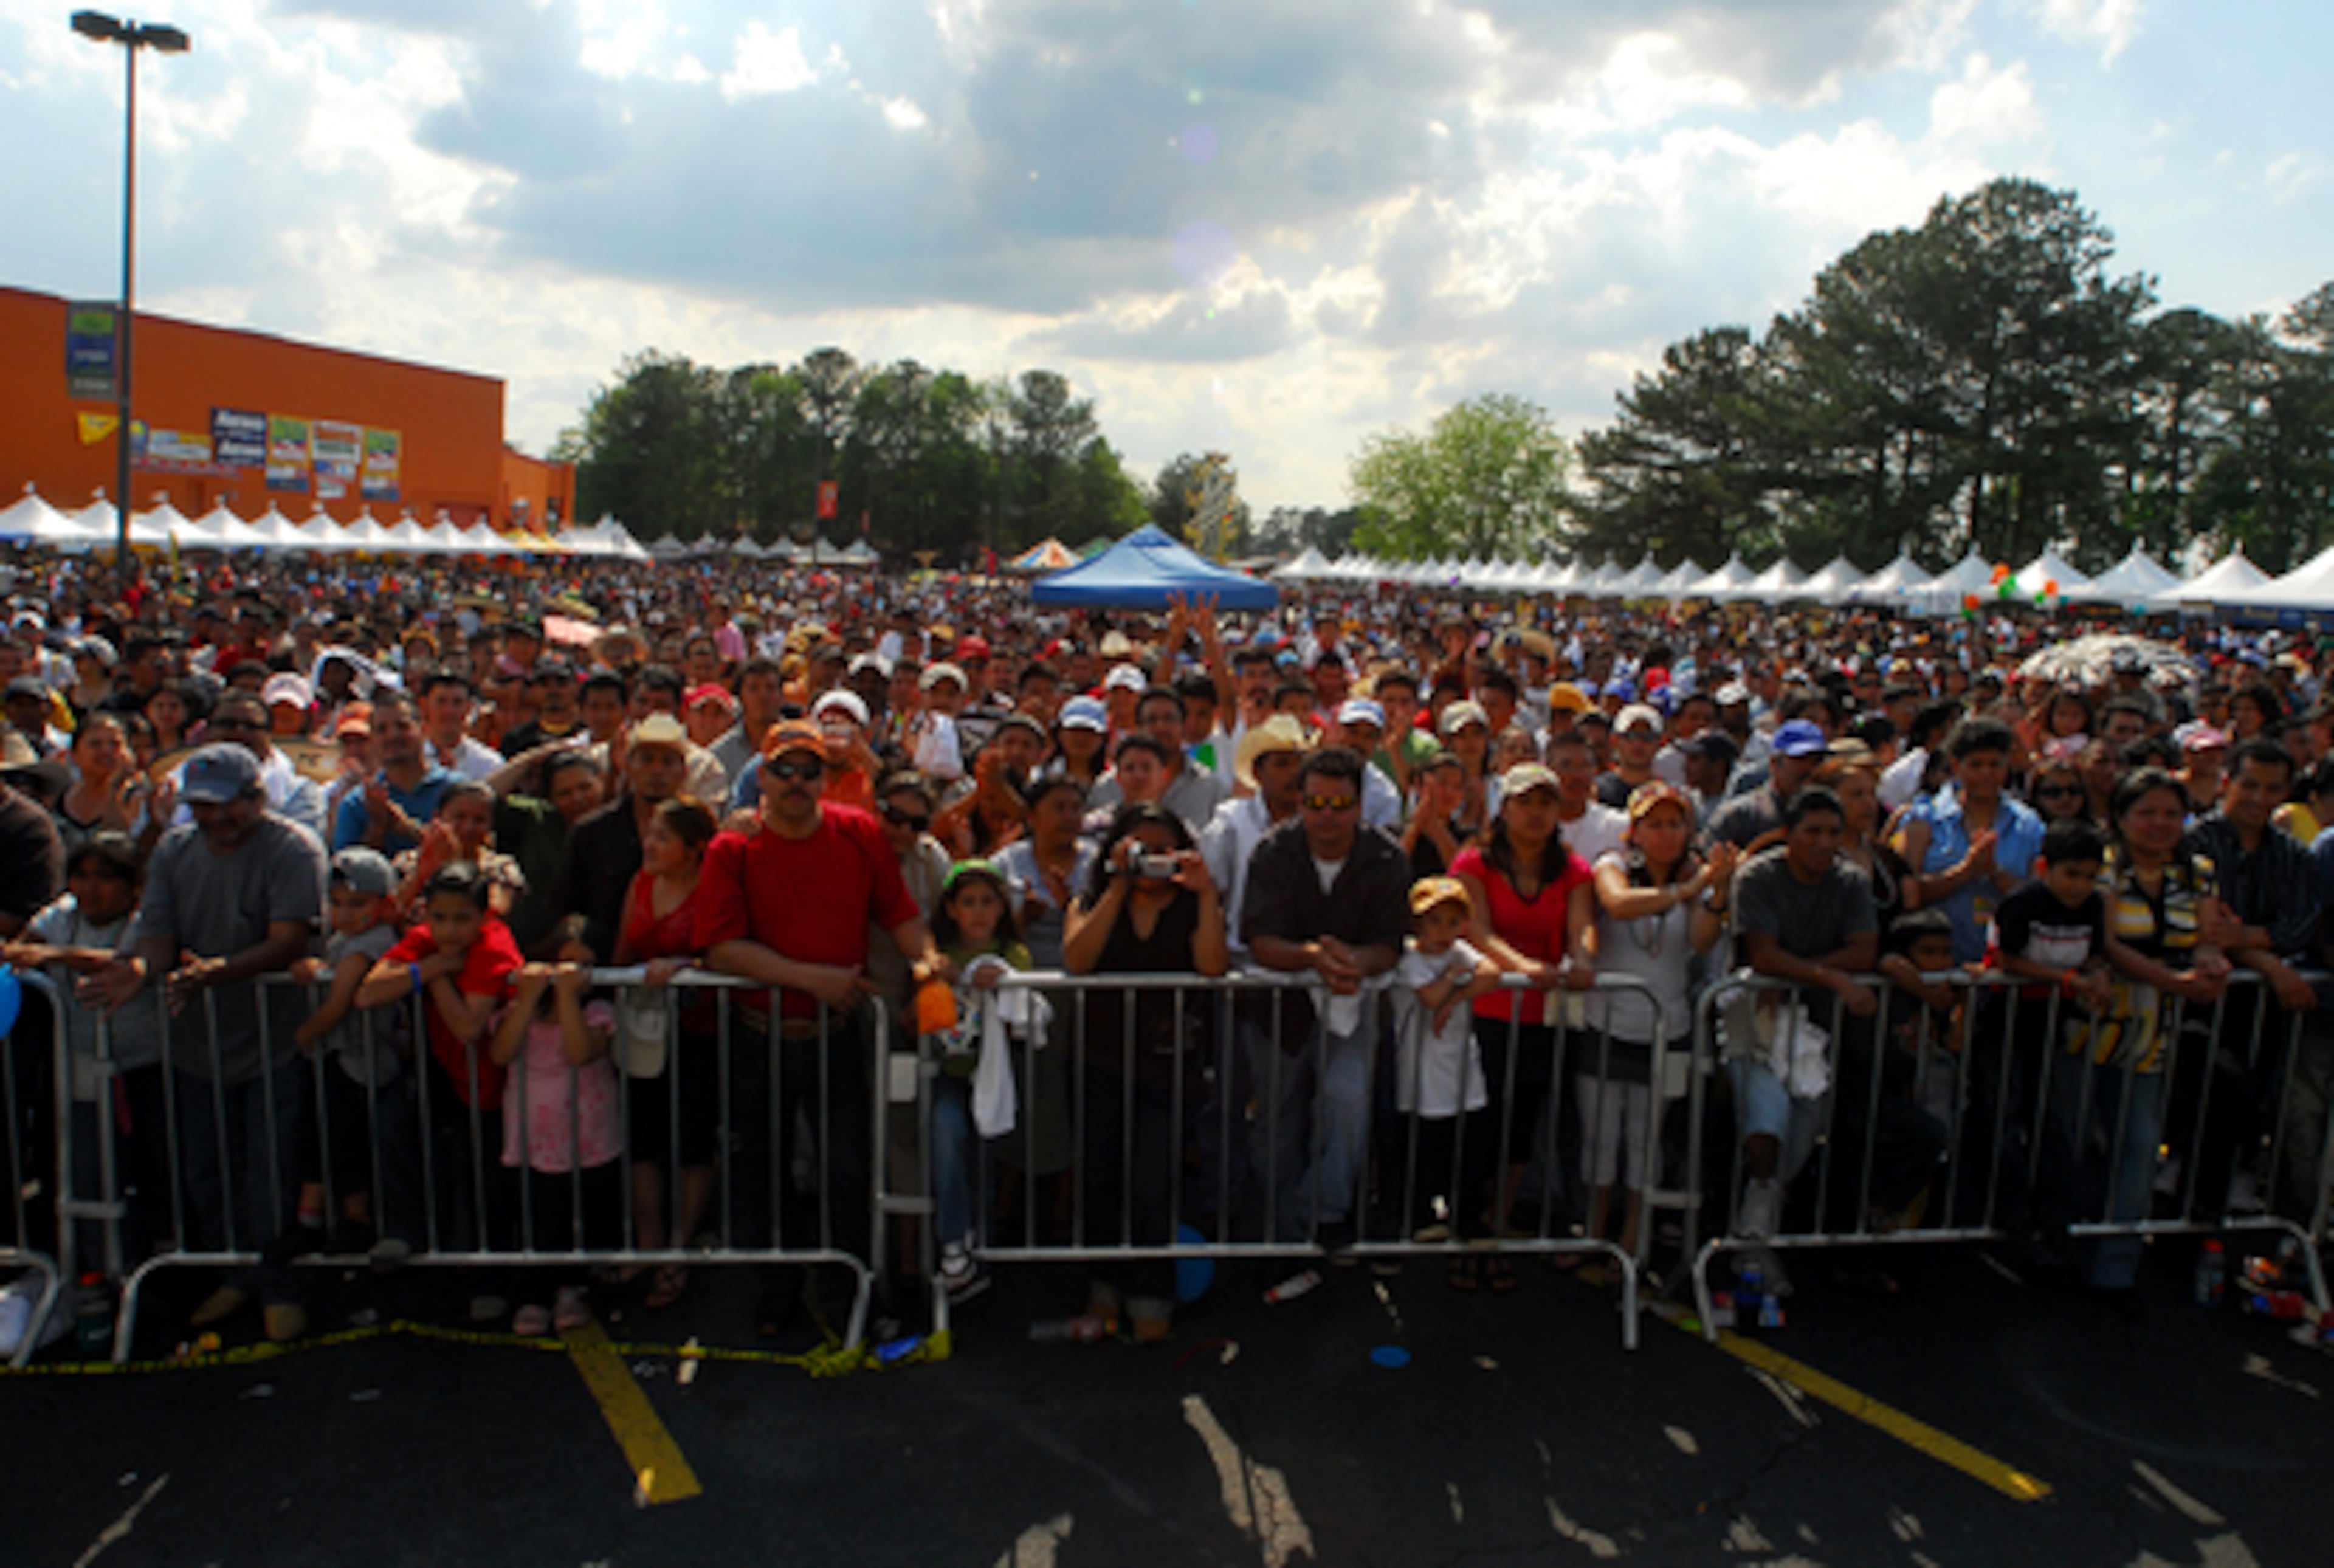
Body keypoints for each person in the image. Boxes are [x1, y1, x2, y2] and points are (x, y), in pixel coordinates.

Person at [701, 719, 940, 1334]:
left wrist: (929, 964)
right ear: (763, 774)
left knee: (848, 1171)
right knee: (762, 1175)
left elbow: (901, 915)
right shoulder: (733, 849)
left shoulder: (860, 834)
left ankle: (849, 1294)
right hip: (758, 1035)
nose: (798, 782)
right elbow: (721, 948)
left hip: (837, 1036)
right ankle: (773, 1297)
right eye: (785, 769)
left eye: (812, 771)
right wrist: (814, 979)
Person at [86, 743, 327, 1342]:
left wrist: (215, 972)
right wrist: (140, 972)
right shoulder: (174, 850)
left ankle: (278, 1282)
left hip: (273, 1039)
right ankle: (232, 1272)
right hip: (195, 1044)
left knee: (271, 1167)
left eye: (226, 807)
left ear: (256, 797)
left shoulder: (292, 848)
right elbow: (159, 935)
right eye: (202, 807)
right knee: (205, 1169)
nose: (214, 819)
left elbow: (288, 938)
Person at [2048, 768, 2230, 1312]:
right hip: (2089, 1028)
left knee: (2139, 1145)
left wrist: (2208, 961)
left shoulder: (2197, 872)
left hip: (2151, 1035)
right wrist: (2173, 981)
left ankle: (2115, 1268)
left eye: (2171, 814)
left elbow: (2205, 935)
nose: (2159, 824)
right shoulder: (2102, 868)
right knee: (2074, 1139)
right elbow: (2105, 940)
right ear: (2122, 818)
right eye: (2147, 813)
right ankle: (2061, 1248)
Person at [1062, 802, 1228, 1334]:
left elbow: (1212, 965)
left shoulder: (1191, 903)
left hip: (1166, 1067)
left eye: (1163, 849)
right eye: (1141, 850)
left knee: (1154, 1181)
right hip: (1098, 1060)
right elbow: (1078, 958)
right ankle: (1103, 1285)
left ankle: (1152, 1291)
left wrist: (1204, 893)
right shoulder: (1093, 897)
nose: (1153, 861)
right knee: (1100, 1175)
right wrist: (1117, 884)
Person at [1239, 744, 1411, 1247]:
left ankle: (1325, 1212)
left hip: (1353, 1007)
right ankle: (1277, 1225)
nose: (1327, 817)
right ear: (1300, 803)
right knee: (1277, 1115)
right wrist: (1314, 957)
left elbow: (1390, 943)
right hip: (1280, 1012)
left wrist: (1357, 963)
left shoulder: (1386, 858)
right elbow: (1260, 939)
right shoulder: (1272, 852)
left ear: (1359, 806)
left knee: (1348, 1102)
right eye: (1316, 804)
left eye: (1339, 806)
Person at [1725, 785, 1879, 1293]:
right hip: (1754, 1022)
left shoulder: (1851, 881)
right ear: (1788, 834)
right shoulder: (1758, 878)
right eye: (1811, 831)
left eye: (1833, 833)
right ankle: (1753, 1245)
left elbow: (1864, 951)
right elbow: (1762, 955)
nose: (1822, 842)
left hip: (1813, 1031)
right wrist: (1830, 978)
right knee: (1766, 1126)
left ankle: (1755, 1228)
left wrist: (1804, 975)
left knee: (1801, 1133)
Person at [1450, 760, 1598, 1277]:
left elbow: (1582, 925)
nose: (1536, 814)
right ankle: (1465, 1230)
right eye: (1525, 802)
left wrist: (1582, 960)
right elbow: (1475, 930)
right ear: (1504, 807)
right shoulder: (1474, 863)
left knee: (1521, 1125)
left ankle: (1496, 1228)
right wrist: (1523, 968)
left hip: (1543, 1015)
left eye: (1546, 803)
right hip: (1488, 1010)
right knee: (1481, 1123)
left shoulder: (1573, 868)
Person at [357, 861, 526, 1314]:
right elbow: (368, 992)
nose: (449, 930)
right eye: (440, 918)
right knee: (427, 1149)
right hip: (451, 1075)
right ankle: (414, 1240)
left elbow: (470, 1025)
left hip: (498, 1081)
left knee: (490, 1180)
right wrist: (431, 968)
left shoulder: (494, 947)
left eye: (462, 919)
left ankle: (493, 1279)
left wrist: (431, 977)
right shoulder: (431, 945)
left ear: (483, 915)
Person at [4, 833, 166, 1273]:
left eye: (106, 878)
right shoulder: (61, 916)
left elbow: (123, 961)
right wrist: (24, 949)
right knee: (85, 1170)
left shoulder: (147, 919)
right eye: (82, 876)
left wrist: (56, 956)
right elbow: (23, 945)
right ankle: (96, 1269)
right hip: (78, 1066)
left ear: (133, 884)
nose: (91, 889)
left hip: (145, 1068)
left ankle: (153, 1260)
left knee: (151, 1168)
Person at [1585, 783, 1733, 1262]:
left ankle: (1633, 1238)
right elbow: (1617, 904)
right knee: (1601, 1136)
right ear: (1635, 831)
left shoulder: (1694, 879)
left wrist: (1715, 895)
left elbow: (1701, 941)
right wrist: (1683, 891)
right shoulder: (1612, 865)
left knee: (1645, 1142)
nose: (1666, 834)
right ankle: (1592, 1231)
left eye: (1675, 824)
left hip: (1665, 1027)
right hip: (1606, 1024)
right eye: (1655, 824)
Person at [613, 796, 723, 1309]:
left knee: (693, 1141)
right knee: (643, 1138)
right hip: (643, 1029)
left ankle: (680, 1245)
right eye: (649, 834)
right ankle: (649, 1240)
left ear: (695, 848)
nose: (649, 846)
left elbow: (725, 948)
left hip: (699, 1033)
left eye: (662, 837)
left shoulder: (712, 889)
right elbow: (623, 951)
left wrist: (688, 965)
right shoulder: (639, 883)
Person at [920, 859, 1033, 1303]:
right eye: (968, 902)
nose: (979, 912)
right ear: (951, 909)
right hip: (950, 1072)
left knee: (985, 1157)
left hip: (995, 1074)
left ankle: (980, 1248)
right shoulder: (940, 957)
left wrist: (1003, 983)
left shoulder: (1013, 953)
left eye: (988, 901)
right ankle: (953, 1242)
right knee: (948, 1139)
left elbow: (1023, 1009)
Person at [288, 848, 409, 1257]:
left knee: (349, 1143)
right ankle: (312, 1219)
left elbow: (339, 1004)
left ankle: (356, 1221)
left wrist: (303, 1033)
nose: (344, 913)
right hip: (337, 1060)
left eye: (357, 903)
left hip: (361, 1062)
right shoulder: (342, 940)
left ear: (384, 903)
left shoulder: (368, 945)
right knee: (320, 1137)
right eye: (337, 903)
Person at [490, 961, 621, 1336]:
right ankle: (534, 1293)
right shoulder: (517, 1012)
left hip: (586, 1134)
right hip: (533, 1134)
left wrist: (567, 997)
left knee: (582, 1211)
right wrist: (528, 998)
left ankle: (572, 1288)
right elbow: (500, 1053)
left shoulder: (597, 1013)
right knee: (538, 1211)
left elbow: (580, 1052)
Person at [1389, 876, 1499, 1285]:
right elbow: (1429, 996)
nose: (1443, 932)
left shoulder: (1459, 952)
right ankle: (1420, 1214)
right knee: (1426, 1143)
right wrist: (1454, 983)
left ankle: (1468, 1215)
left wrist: (1454, 998)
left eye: (1453, 922)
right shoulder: (1410, 958)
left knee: (1469, 1142)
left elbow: (1490, 972)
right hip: (1420, 1069)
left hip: (1461, 1066)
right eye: (1433, 922)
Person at [1899, 718, 2044, 966]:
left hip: (2001, 969)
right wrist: (1964, 873)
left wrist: (1995, 873)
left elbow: (2039, 900)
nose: (1986, 774)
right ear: (1956, 766)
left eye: (1995, 765)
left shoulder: (2028, 825)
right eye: (1976, 765)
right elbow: (1908, 892)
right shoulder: (1925, 819)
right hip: (1936, 968)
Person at [331, 689, 455, 856]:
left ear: (424, 730)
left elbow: (469, 855)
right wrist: (377, 828)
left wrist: (407, 828)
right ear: (372, 740)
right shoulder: (357, 804)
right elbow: (346, 874)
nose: (393, 735)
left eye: (403, 726)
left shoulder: (455, 791)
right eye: (382, 730)